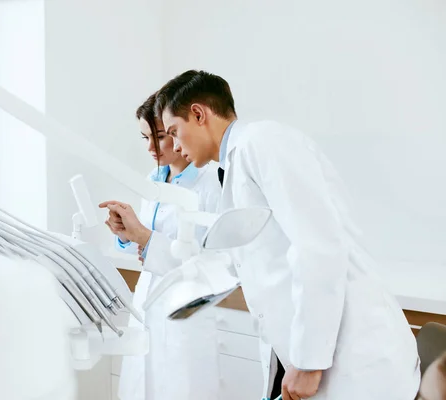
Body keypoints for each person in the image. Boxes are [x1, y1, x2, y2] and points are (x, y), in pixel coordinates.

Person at [153, 70, 420, 400]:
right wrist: (150, 247)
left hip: (358, 363)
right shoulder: (231, 170)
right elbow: (231, 263)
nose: (175, 147)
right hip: (320, 358)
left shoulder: (262, 142)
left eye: (174, 132)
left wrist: (308, 363)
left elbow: (318, 246)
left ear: (199, 113)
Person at [98, 93, 222, 400]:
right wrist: (125, 234)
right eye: (145, 138)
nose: (151, 148)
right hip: (148, 301)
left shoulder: (210, 183)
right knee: (142, 386)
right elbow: (146, 247)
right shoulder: (152, 180)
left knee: (181, 387)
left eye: (161, 137)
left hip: (186, 308)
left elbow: (210, 261)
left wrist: (143, 237)